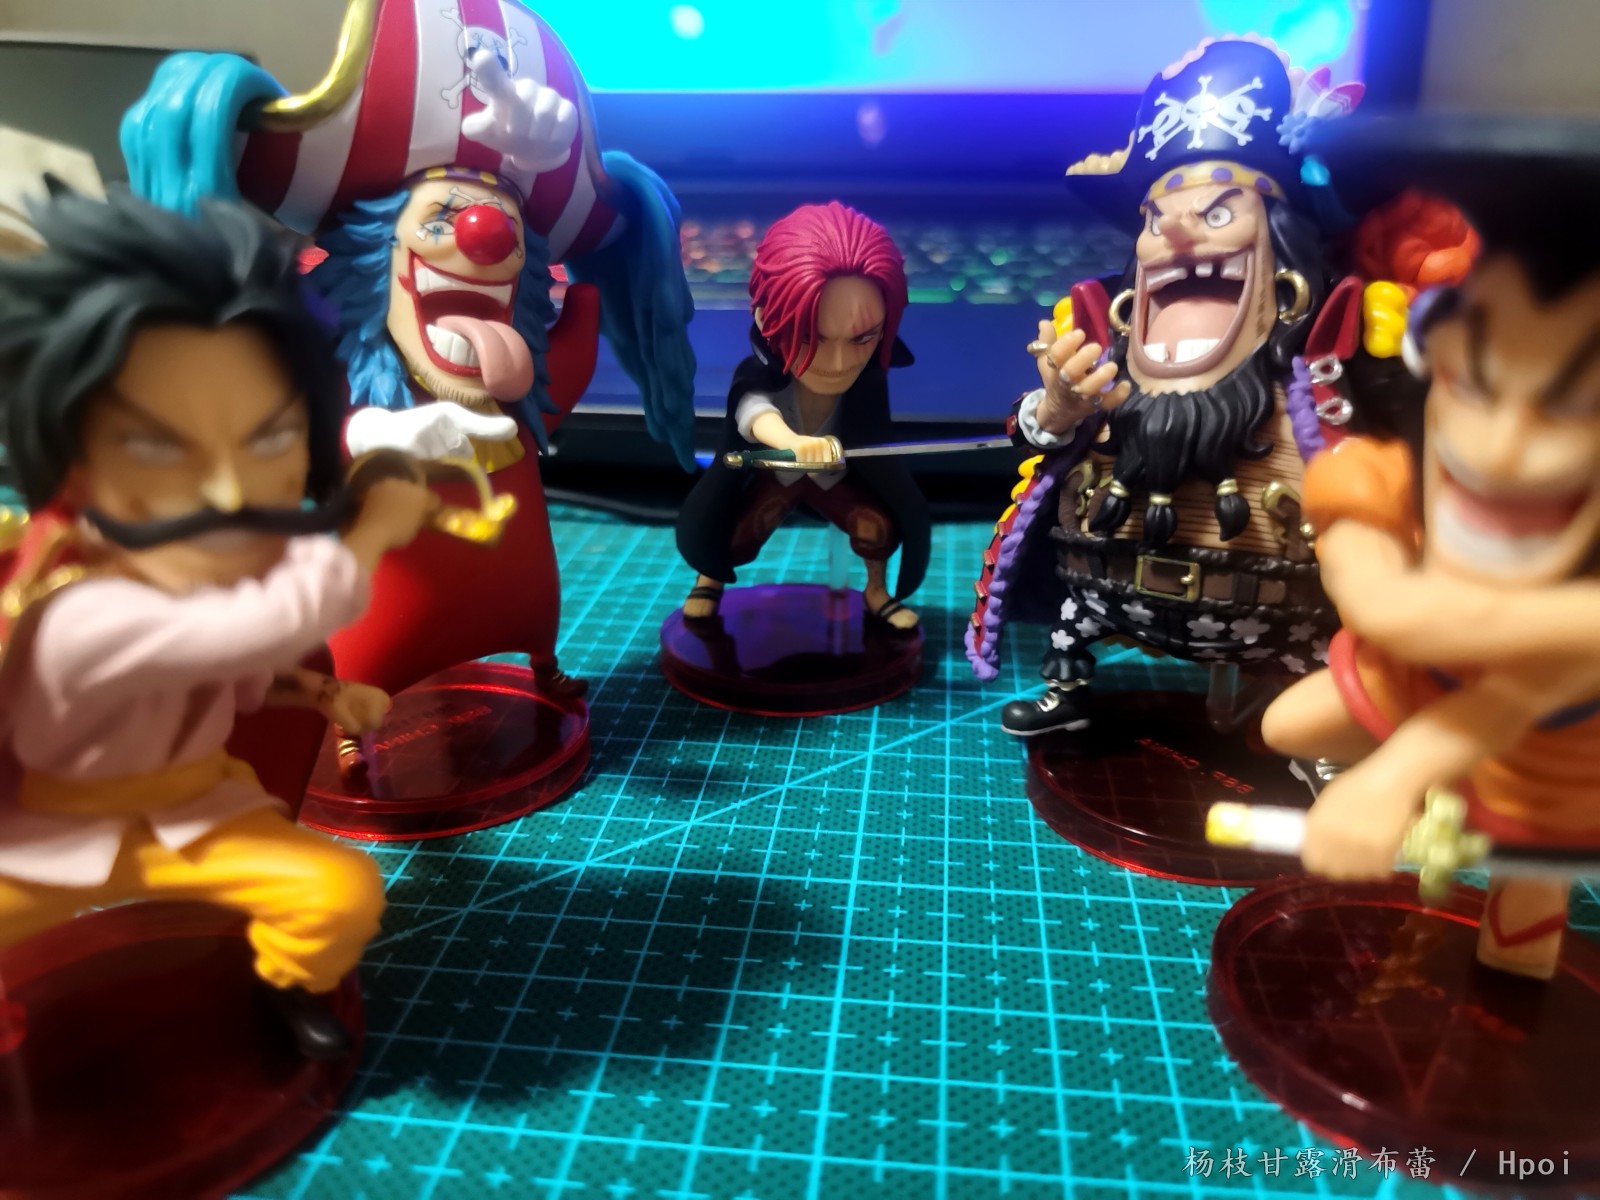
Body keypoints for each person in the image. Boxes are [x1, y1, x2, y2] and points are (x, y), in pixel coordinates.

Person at [119, 0, 699, 774]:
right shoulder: (341, 395)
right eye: (444, 220)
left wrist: (586, 308)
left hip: (517, 579)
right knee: (368, 643)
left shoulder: (516, 393)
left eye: (507, 232)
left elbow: (567, 364)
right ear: (376, 264)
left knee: (530, 605)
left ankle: (543, 663)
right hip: (385, 599)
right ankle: (352, 715)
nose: (485, 238)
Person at [0, 188, 435, 1056]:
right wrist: (375, 528)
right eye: (158, 448)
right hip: (50, 831)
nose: (232, 495)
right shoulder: (78, 607)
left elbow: (232, 669)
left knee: (338, 893)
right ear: (68, 456)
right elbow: (250, 626)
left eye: (269, 439)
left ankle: (289, 984)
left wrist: (319, 694)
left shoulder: (217, 585)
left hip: (198, 807)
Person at [967, 36, 1447, 737]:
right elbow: (1028, 432)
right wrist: (1059, 407)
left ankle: (1317, 739)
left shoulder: (1328, 360)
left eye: (1219, 212)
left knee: (1313, 679)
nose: (1177, 233)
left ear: (1284, 257)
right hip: (1106, 588)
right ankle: (1067, 686)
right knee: (1074, 625)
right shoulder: (1097, 342)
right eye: (1154, 219)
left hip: (1277, 612)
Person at [1260, 114, 1600, 981]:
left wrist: (1395, 779)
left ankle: (1509, 990)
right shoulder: (1401, 467)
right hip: (1415, 676)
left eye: (1573, 408)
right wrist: (1403, 603)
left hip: (1553, 747)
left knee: (1525, 910)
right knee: (1286, 724)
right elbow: (1364, 560)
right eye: (1475, 381)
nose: (1501, 452)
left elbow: (1518, 693)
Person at [675, 202, 928, 629]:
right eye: (812, 338)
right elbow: (754, 412)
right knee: (732, 539)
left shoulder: (868, 381)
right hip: (778, 473)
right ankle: (709, 579)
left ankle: (875, 592)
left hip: (835, 476)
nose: (838, 363)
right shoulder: (758, 376)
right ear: (765, 319)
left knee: (877, 529)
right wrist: (792, 443)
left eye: (862, 339)